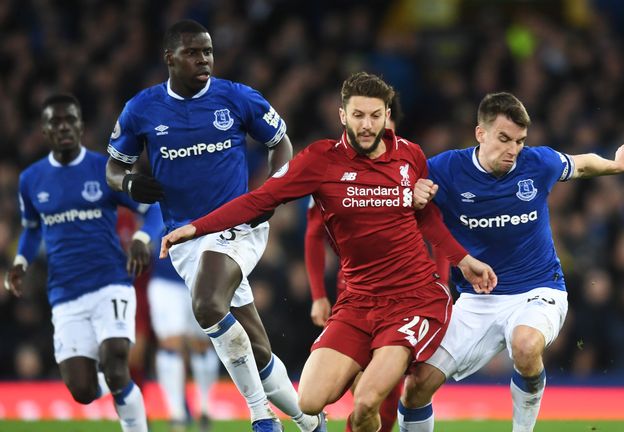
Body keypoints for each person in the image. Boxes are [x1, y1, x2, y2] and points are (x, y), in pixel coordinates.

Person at [159, 72, 497, 432]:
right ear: (342, 115)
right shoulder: (320, 161)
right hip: (358, 302)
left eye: (375, 116)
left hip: (411, 298)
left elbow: (428, 220)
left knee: (368, 399)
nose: (367, 126)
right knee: (308, 401)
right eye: (358, 116)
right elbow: (260, 200)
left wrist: (464, 260)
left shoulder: (409, 155)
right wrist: (197, 227)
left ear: (386, 115)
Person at [104, 19, 324, 432]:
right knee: (256, 349)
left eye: (207, 51)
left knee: (206, 303)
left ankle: (261, 416)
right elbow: (114, 168)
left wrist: (271, 194)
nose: (203, 59)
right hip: (185, 235)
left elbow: (281, 144)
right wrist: (130, 181)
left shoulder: (237, 98)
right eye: (192, 52)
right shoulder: (142, 109)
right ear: (170, 58)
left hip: (239, 224)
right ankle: (310, 421)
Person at [397, 92, 624, 432]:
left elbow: (583, 163)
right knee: (415, 388)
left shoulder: (537, 163)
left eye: (519, 141)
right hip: (477, 299)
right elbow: (401, 185)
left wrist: (616, 164)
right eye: (504, 139)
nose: (513, 150)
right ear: (480, 133)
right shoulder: (445, 169)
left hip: (539, 289)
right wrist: (413, 192)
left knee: (526, 345)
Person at [4, 93, 164, 432]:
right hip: (65, 294)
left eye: (70, 120)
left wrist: (140, 239)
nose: (64, 127)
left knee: (116, 361)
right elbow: (32, 230)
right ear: (45, 131)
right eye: (55, 122)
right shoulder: (31, 180)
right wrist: (20, 261)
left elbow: (154, 210)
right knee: (83, 391)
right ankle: (120, 392)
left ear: (81, 126)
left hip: (111, 283)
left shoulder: (103, 170)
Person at [304, 93, 416, 432]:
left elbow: (434, 232)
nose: (375, 131)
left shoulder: (409, 166)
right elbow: (313, 234)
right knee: (361, 390)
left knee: (385, 397)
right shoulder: (333, 172)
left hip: (401, 298)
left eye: (382, 123)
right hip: (353, 296)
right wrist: (318, 294)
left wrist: (441, 281)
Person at [147, 241, 219, 432]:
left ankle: (205, 408)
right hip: (166, 278)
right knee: (170, 343)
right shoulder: (153, 209)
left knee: (201, 344)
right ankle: (176, 413)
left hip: (200, 275)